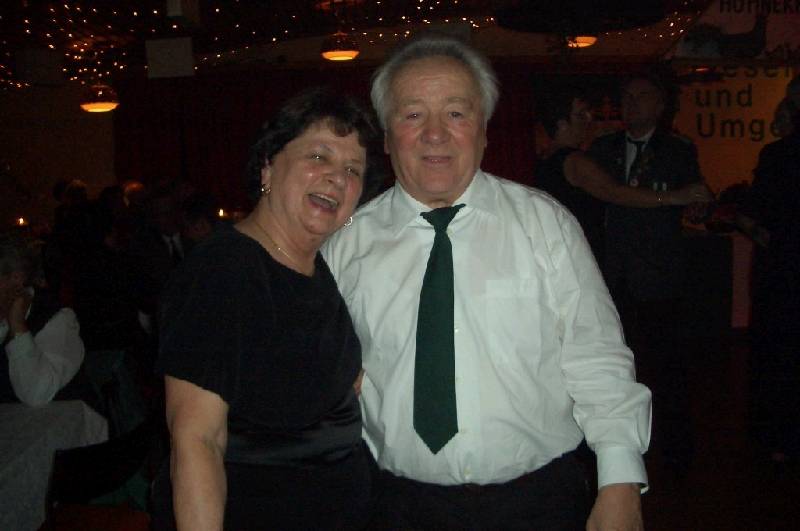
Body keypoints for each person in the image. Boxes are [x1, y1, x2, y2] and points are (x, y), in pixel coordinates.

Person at [323, 35, 651, 531]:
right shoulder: (344, 247)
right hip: (397, 506)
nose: (435, 134)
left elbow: (596, 354)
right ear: (386, 137)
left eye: (456, 113)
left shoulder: (545, 225)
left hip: (539, 503)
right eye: (413, 115)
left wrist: (620, 480)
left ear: (483, 131)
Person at [152, 86, 381, 530]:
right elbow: (198, 441)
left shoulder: (315, 269)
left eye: (352, 169)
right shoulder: (223, 270)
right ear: (268, 166)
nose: (337, 178)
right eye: (319, 156)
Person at [588, 73, 704, 475]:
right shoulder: (603, 149)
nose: (632, 103)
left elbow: (695, 198)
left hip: (659, 276)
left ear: (660, 104)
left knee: (667, 367)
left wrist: (697, 205)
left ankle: (674, 454)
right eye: (627, 96)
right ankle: (616, 447)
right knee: (613, 366)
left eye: (641, 96)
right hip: (612, 275)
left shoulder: (677, 150)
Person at [535, 85, 711, 260]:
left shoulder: (549, 158)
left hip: (653, 256)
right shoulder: (580, 158)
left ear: (660, 106)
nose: (589, 119)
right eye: (581, 114)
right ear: (562, 124)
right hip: (589, 253)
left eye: (641, 96)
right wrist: (673, 197)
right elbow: (615, 192)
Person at [740, 100, 800, 465]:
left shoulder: (777, 156)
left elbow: (757, 213)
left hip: (782, 270)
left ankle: (778, 437)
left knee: (778, 353)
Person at [0, 233, 86, 406]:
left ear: (16, 278)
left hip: (61, 421)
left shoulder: (58, 319)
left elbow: (36, 394)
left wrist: (17, 325)